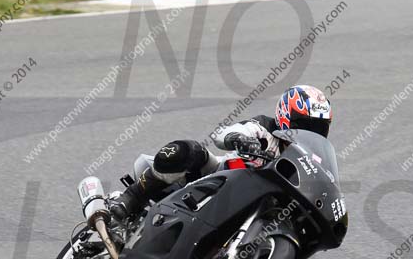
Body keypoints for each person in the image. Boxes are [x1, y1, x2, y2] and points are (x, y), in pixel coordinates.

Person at [110, 85, 333, 220]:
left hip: (254, 209)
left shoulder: (310, 160)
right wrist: (239, 138)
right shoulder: (265, 129)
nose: (310, 133)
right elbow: (223, 133)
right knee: (190, 150)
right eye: (306, 125)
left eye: (318, 128)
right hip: (217, 178)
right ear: (286, 115)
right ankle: (131, 197)